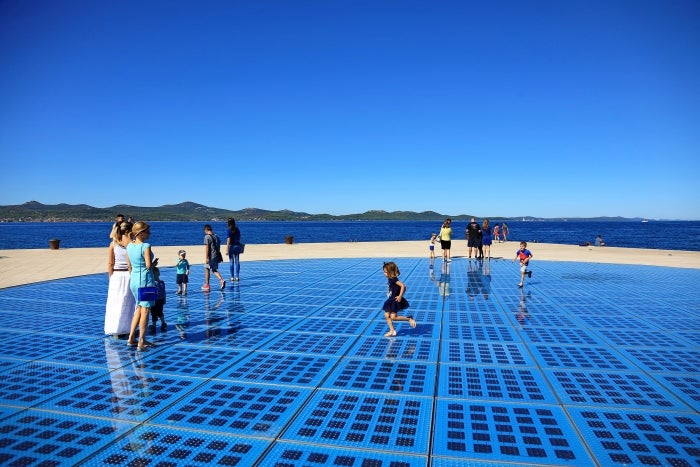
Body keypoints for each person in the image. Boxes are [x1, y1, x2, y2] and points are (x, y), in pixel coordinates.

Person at [126, 221, 156, 350]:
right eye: (148, 231)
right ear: (141, 233)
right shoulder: (145, 246)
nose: (149, 234)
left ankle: (131, 338)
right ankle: (141, 341)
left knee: (139, 308)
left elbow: (129, 266)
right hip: (145, 280)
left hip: (134, 280)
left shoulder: (129, 246)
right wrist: (154, 264)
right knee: (145, 311)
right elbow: (148, 265)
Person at [104, 220, 135, 337]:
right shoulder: (131, 245)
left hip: (117, 276)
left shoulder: (113, 245)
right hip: (129, 275)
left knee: (115, 303)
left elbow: (110, 264)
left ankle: (115, 329)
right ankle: (128, 328)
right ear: (127, 231)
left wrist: (110, 277)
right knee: (129, 303)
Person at [381, 261, 416, 337]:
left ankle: (409, 319)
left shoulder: (394, 279)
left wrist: (400, 296)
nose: (384, 274)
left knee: (393, 317)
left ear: (391, 272)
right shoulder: (390, 279)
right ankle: (392, 331)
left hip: (395, 300)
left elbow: (403, 286)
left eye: (386, 272)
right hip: (391, 300)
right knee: (386, 315)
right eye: (384, 272)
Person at [203, 224, 225, 291]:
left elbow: (207, 248)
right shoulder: (216, 236)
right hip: (216, 255)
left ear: (206, 230)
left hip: (211, 256)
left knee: (209, 269)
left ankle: (208, 284)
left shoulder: (207, 237)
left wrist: (206, 257)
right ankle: (219, 281)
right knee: (212, 269)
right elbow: (219, 245)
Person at [149, 265, 167, 332]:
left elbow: (151, 293)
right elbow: (164, 292)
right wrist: (165, 300)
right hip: (161, 300)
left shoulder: (152, 283)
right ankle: (163, 322)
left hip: (154, 301)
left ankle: (153, 325)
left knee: (154, 313)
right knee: (160, 312)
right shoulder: (162, 282)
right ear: (159, 273)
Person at [226, 217, 243, 282]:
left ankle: (232, 277)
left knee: (231, 262)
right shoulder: (237, 229)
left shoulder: (228, 230)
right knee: (237, 261)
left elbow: (228, 240)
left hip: (231, 246)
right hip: (237, 246)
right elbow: (239, 237)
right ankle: (237, 276)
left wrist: (227, 248)